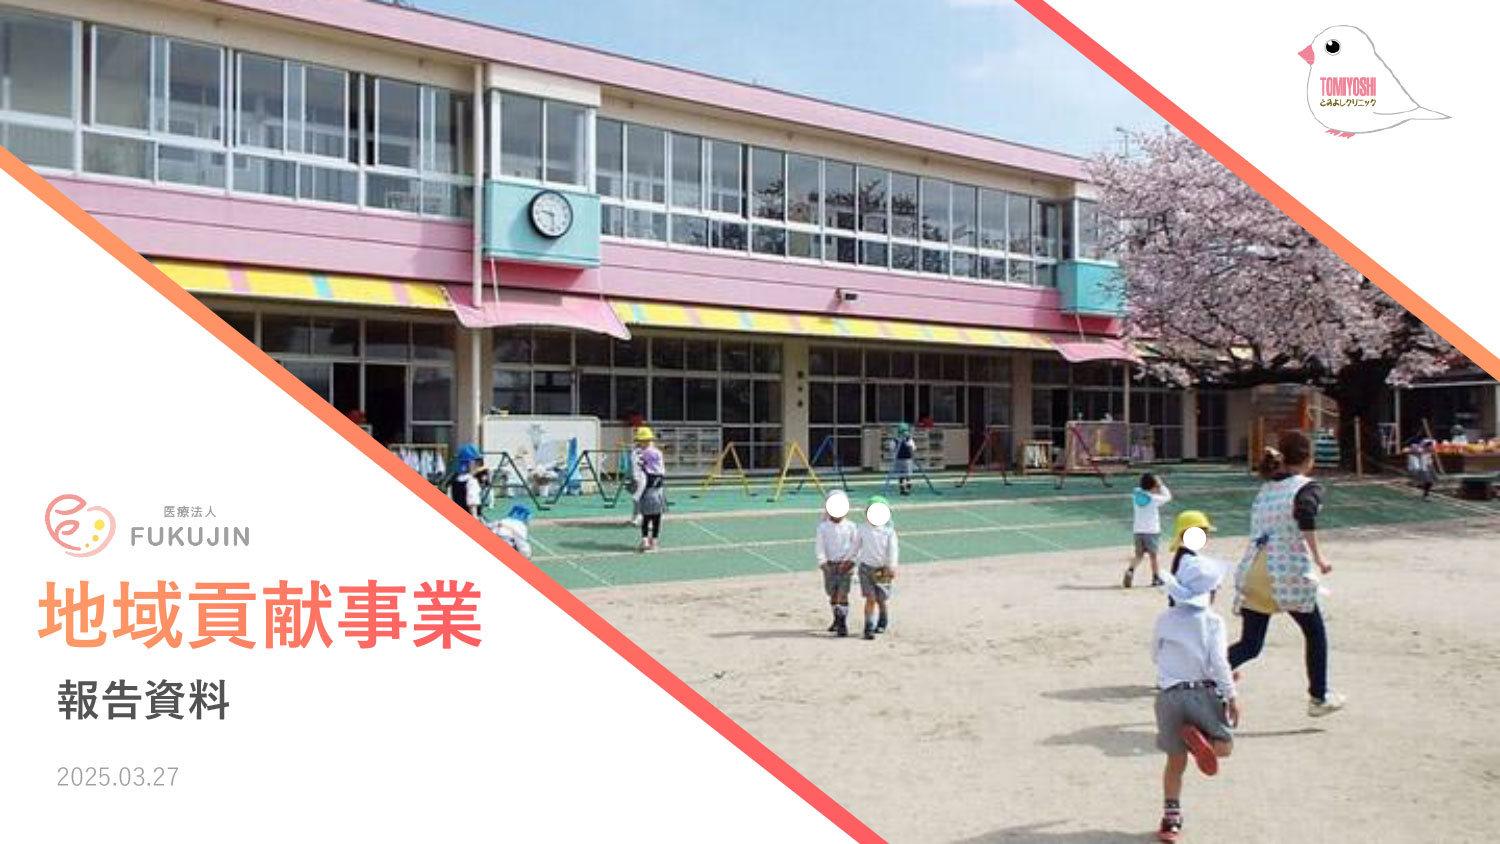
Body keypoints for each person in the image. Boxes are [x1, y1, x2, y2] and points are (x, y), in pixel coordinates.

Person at [1228, 431, 1346, 717]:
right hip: (1286, 572)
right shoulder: (1307, 487)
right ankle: (1319, 696)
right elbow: (1305, 514)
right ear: (1308, 459)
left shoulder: (1266, 489)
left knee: (1250, 644)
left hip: (1254, 568)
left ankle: (1200, 673)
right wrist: (1319, 558)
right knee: (1314, 633)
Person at [1151, 548, 1238, 842]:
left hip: (1168, 697)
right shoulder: (1213, 622)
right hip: (1202, 692)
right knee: (1224, 747)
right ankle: (1202, 742)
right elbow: (1219, 662)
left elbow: (1155, 655)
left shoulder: (1165, 619)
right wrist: (1231, 694)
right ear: (1211, 593)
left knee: (1175, 762)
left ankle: (1171, 819)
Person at [815, 489, 860, 637]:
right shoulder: (823, 527)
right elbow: (820, 546)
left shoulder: (851, 526)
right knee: (832, 593)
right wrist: (823, 563)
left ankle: (842, 623)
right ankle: (836, 618)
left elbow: (856, 546)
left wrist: (850, 561)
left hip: (846, 565)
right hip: (829, 565)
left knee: (843, 593)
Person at [857, 495, 899, 640]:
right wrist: (849, 559)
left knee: (881, 599)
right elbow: (855, 546)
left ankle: (882, 620)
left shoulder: (888, 532)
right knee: (870, 598)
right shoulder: (861, 529)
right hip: (865, 568)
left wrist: (892, 566)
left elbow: (893, 550)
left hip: (883, 570)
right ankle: (868, 627)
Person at [1125, 472, 1173, 588]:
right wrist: (1161, 485)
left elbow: (1140, 489)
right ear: (1153, 486)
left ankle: (1130, 570)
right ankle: (1155, 578)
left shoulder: (1136, 495)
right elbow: (1168, 497)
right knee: (1153, 556)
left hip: (1138, 530)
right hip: (1151, 531)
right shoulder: (1153, 499)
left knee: (1139, 555)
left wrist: (1152, 482)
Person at [635, 427, 666, 552]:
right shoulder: (655, 452)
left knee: (647, 516)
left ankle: (646, 541)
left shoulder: (640, 453)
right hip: (656, 484)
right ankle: (652, 541)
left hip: (648, 484)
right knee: (655, 516)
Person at [449, 443, 485, 519]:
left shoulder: (454, 481)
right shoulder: (471, 481)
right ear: (470, 463)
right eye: (475, 463)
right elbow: (472, 504)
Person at [627, 430, 650, 526]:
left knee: (640, 497)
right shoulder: (635, 451)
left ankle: (641, 517)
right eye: (644, 440)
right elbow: (634, 466)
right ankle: (636, 516)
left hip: (647, 477)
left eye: (647, 440)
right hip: (639, 476)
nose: (647, 442)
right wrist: (634, 478)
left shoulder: (650, 451)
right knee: (637, 497)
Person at [893, 423, 917, 496]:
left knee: (901, 475)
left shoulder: (895, 440)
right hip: (907, 460)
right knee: (908, 475)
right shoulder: (909, 439)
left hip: (899, 459)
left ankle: (902, 489)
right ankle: (907, 489)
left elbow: (892, 449)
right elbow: (913, 448)